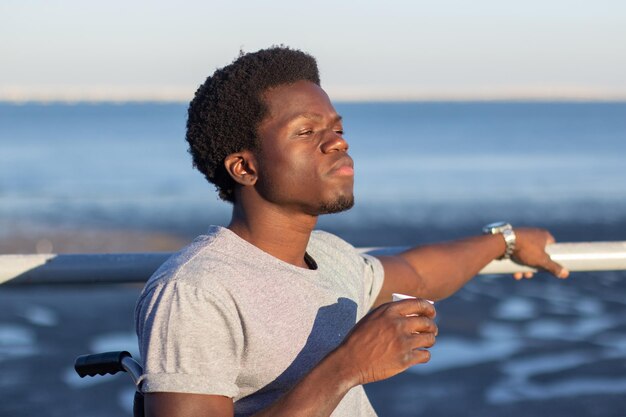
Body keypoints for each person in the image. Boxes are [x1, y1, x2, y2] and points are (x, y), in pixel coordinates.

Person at [135, 46, 569, 417]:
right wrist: (347, 367)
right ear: (245, 167)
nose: (338, 142)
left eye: (337, 129)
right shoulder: (195, 289)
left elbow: (417, 274)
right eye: (307, 131)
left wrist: (505, 241)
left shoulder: (328, 254)